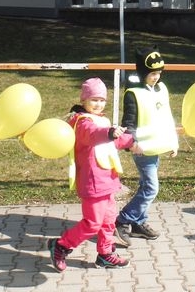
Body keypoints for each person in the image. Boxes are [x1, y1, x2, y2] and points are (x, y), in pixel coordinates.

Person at [48, 77, 138, 271]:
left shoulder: (102, 120)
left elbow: (112, 141)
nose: (98, 104)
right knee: (92, 223)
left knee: (108, 221)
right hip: (92, 182)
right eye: (93, 100)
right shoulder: (82, 122)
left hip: (107, 180)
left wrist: (130, 141)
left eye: (102, 100)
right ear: (84, 101)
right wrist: (110, 132)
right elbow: (93, 134)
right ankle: (62, 245)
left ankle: (105, 254)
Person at [114, 48, 178, 246]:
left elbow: (167, 117)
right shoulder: (133, 93)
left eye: (159, 73)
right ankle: (123, 219)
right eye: (152, 74)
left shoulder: (162, 89)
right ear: (143, 73)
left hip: (157, 146)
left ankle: (138, 222)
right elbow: (129, 122)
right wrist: (132, 143)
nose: (156, 77)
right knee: (151, 188)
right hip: (142, 148)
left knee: (145, 185)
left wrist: (173, 141)